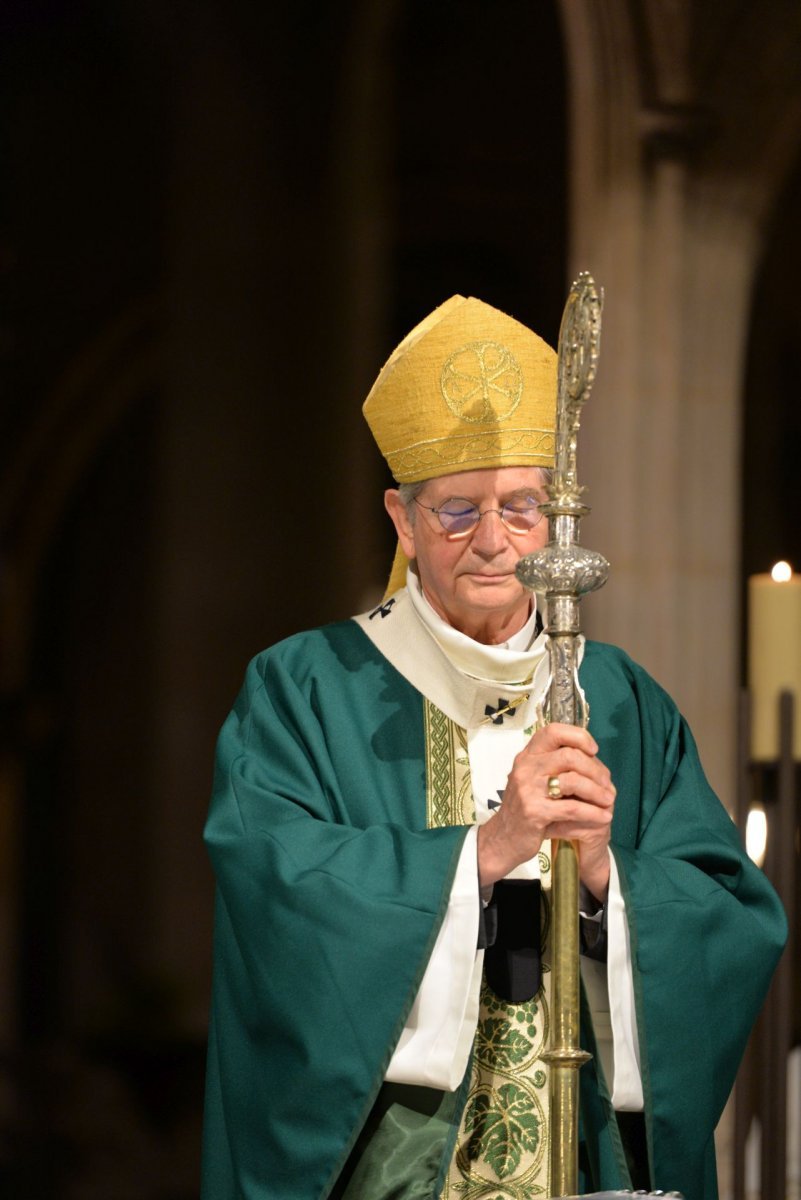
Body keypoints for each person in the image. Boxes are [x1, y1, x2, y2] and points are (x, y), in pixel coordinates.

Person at [201, 295, 786, 1200]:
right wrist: (486, 851)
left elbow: (727, 916)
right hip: (394, 1162)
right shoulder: (306, 688)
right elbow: (273, 891)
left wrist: (606, 879)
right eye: (456, 512)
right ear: (400, 520)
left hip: (582, 1146)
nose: (493, 542)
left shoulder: (623, 699)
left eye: (522, 507)